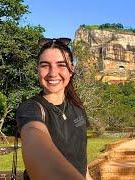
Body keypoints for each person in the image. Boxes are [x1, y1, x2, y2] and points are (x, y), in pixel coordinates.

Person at [16, 38, 93, 180]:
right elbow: (35, 139)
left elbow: (83, 164)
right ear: (37, 69)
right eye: (45, 65)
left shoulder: (78, 108)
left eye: (61, 65)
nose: (53, 73)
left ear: (72, 69)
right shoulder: (31, 109)